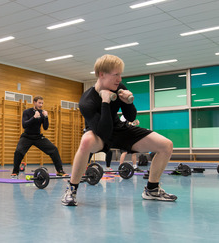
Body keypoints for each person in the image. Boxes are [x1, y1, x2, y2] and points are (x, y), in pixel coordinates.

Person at [61, 54, 176, 206]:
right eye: (116, 75)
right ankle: (71, 190)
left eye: (120, 74)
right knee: (86, 141)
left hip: (120, 129)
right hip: (99, 132)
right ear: (102, 74)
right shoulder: (86, 101)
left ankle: (152, 189)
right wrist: (105, 102)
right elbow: (104, 131)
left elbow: (130, 117)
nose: (120, 79)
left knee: (166, 145)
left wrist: (128, 102)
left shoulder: (119, 88)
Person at [11, 96, 68, 179]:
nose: (41, 105)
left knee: (54, 149)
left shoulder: (42, 113)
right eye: (39, 103)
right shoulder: (27, 112)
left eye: (42, 103)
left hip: (37, 137)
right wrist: (34, 117)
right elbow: (24, 125)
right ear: (34, 102)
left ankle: (59, 171)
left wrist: (46, 117)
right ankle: (15, 172)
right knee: (18, 152)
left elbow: (45, 127)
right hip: (27, 136)